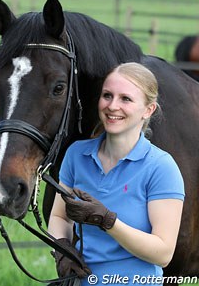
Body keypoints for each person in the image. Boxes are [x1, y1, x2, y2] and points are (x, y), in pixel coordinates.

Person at [48, 62, 185, 286]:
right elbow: (59, 216)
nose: (113, 106)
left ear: (148, 110)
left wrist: (108, 221)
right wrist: (62, 247)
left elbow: (163, 253)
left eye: (126, 99)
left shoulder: (161, 167)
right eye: (107, 95)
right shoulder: (76, 155)